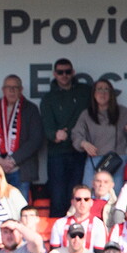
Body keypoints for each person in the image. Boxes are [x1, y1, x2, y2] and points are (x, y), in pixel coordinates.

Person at [71, 79, 127, 191]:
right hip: (95, 160)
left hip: (117, 160)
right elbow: (75, 134)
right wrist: (83, 143)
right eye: (99, 89)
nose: (102, 93)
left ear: (111, 94)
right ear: (94, 94)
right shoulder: (86, 114)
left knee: (116, 199)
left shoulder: (122, 112)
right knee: (89, 196)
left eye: (106, 90)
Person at [40, 58, 91, 217]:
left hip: (79, 151)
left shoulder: (84, 92)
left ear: (73, 72)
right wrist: (54, 134)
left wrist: (71, 134)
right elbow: (46, 126)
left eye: (67, 72)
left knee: (77, 194)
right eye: (60, 72)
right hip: (57, 153)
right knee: (58, 196)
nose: (64, 75)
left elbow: (89, 117)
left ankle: (77, 232)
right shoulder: (48, 98)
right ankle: (57, 237)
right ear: (55, 74)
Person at [0, 74, 43, 200]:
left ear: (21, 90)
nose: (12, 91)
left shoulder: (30, 109)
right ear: (3, 90)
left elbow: (35, 139)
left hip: (20, 169)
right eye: (9, 88)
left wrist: (13, 160)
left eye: (15, 88)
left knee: (19, 212)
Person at [49, 185, 107, 252]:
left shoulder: (98, 224)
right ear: (72, 202)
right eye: (78, 199)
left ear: (91, 202)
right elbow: (54, 252)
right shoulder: (59, 223)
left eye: (86, 199)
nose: (82, 202)